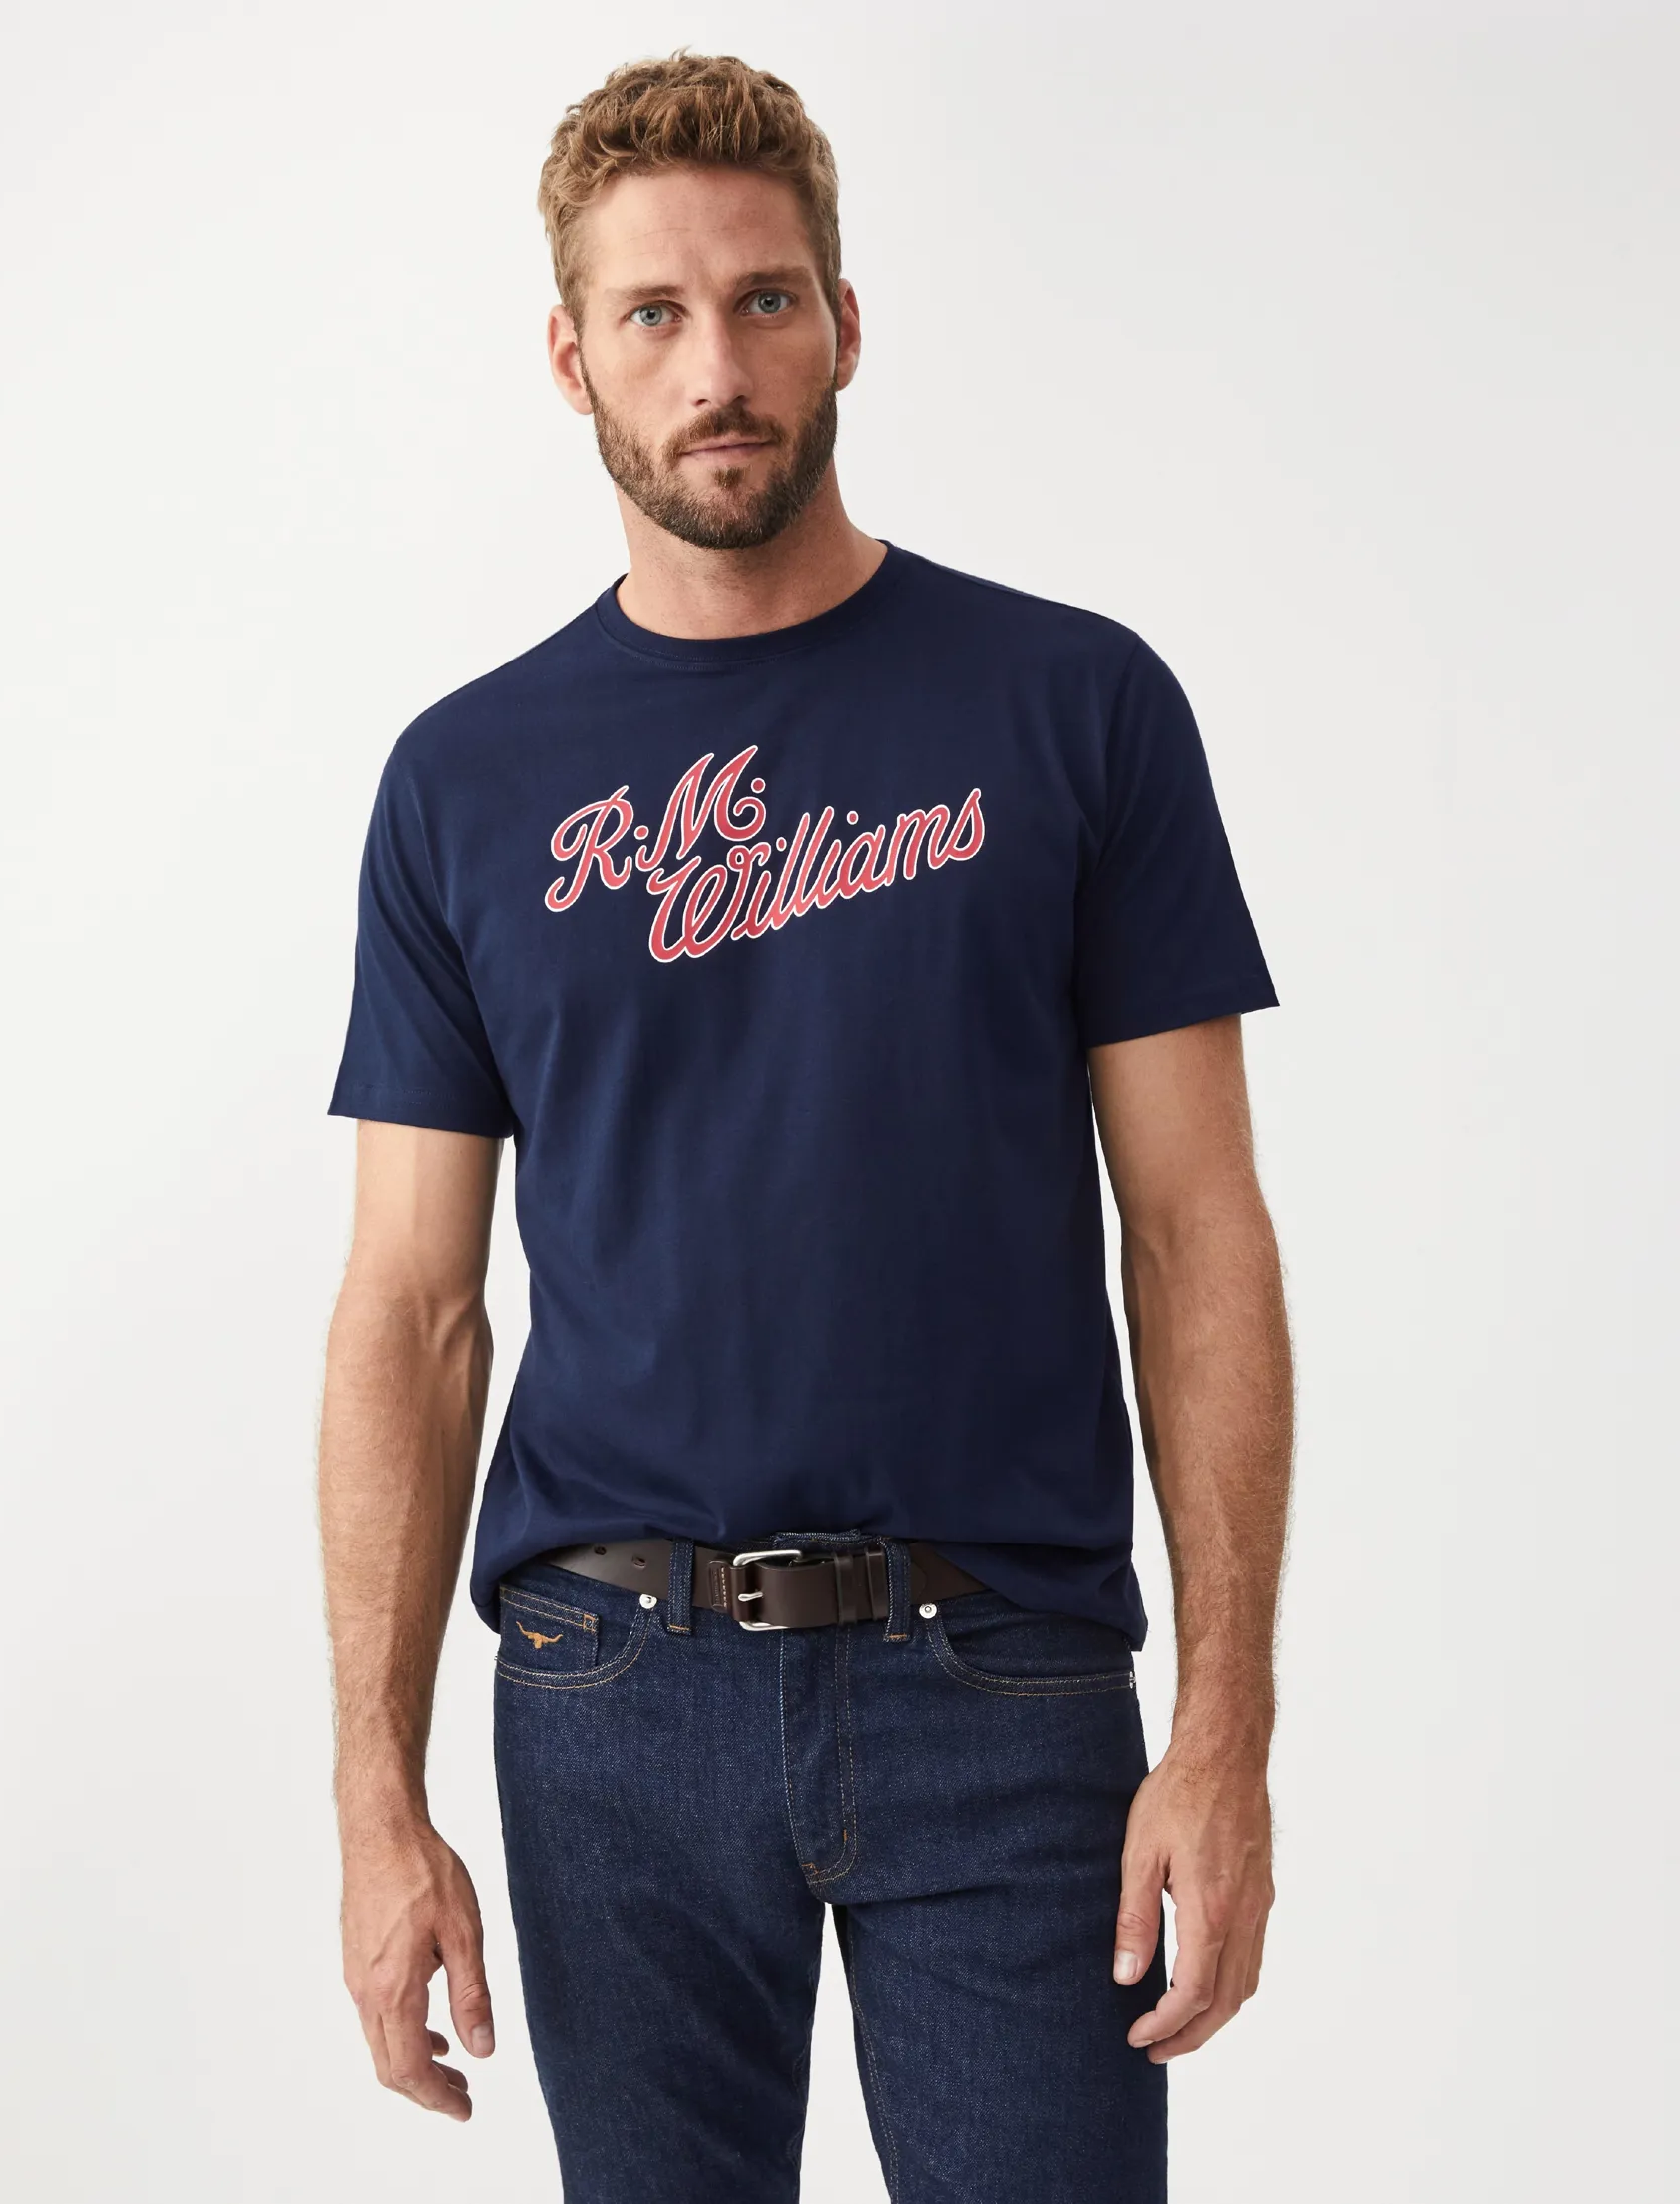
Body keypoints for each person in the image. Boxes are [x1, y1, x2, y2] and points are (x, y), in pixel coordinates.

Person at [317, 50, 1292, 2204]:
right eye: (653, 314)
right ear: (570, 356)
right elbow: (411, 1311)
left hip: (1007, 1681)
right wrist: (377, 1799)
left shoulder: (1075, 708)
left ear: (845, 323)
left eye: (766, 300)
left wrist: (1226, 1732)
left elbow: (1199, 1230)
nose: (718, 368)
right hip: (609, 1695)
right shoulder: (464, 784)